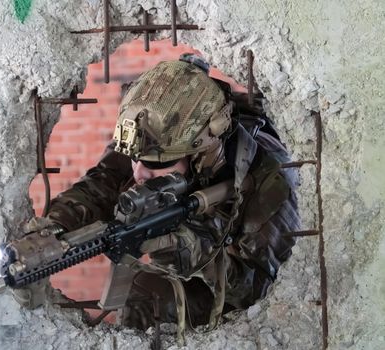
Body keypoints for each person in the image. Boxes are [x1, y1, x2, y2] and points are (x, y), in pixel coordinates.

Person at [15, 55, 300, 333]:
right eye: (134, 159)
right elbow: (102, 184)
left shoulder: (268, 175)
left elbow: (258, 288)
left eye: (156, 166)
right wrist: (53, 230)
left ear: (201, 156)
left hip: (224, 292)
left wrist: (192, 255)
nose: (139, 173)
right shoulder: (146, 141)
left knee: (151, 294)